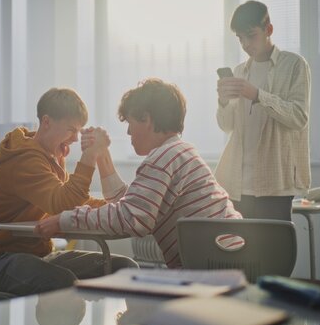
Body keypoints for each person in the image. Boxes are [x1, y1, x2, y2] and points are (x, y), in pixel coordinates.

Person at [35, 78, 241, 268]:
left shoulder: (162, 158)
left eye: (130, 123)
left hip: (216, 267)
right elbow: (132, 203)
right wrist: (102, 155)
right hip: (228, 259)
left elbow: (132, 217)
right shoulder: (178, 151)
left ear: (147, 119)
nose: (128, 132)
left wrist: (64, 219)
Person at [0, 87, 138, 296]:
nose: (74, 139)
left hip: (41, 254)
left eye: (78, 131)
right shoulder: (24, 159)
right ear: (46, 122)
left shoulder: (53, 155)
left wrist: (114, 209)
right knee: (63, 282)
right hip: (2, 260)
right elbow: (62, 203)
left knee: (125, 268)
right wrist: (89, 156)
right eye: (71, 129)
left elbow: (73, 201)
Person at [215, 0, 311, 221]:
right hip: (236, 183)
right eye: (240, 38)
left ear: (269, 30)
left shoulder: (295, 64)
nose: (246, 44)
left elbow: (299, 117)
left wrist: (258, 95)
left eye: (251, 35)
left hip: (275, 183)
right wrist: (222, 101)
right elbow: (227, 126)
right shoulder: (239, 71)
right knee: (238, 252)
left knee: (274, 251)